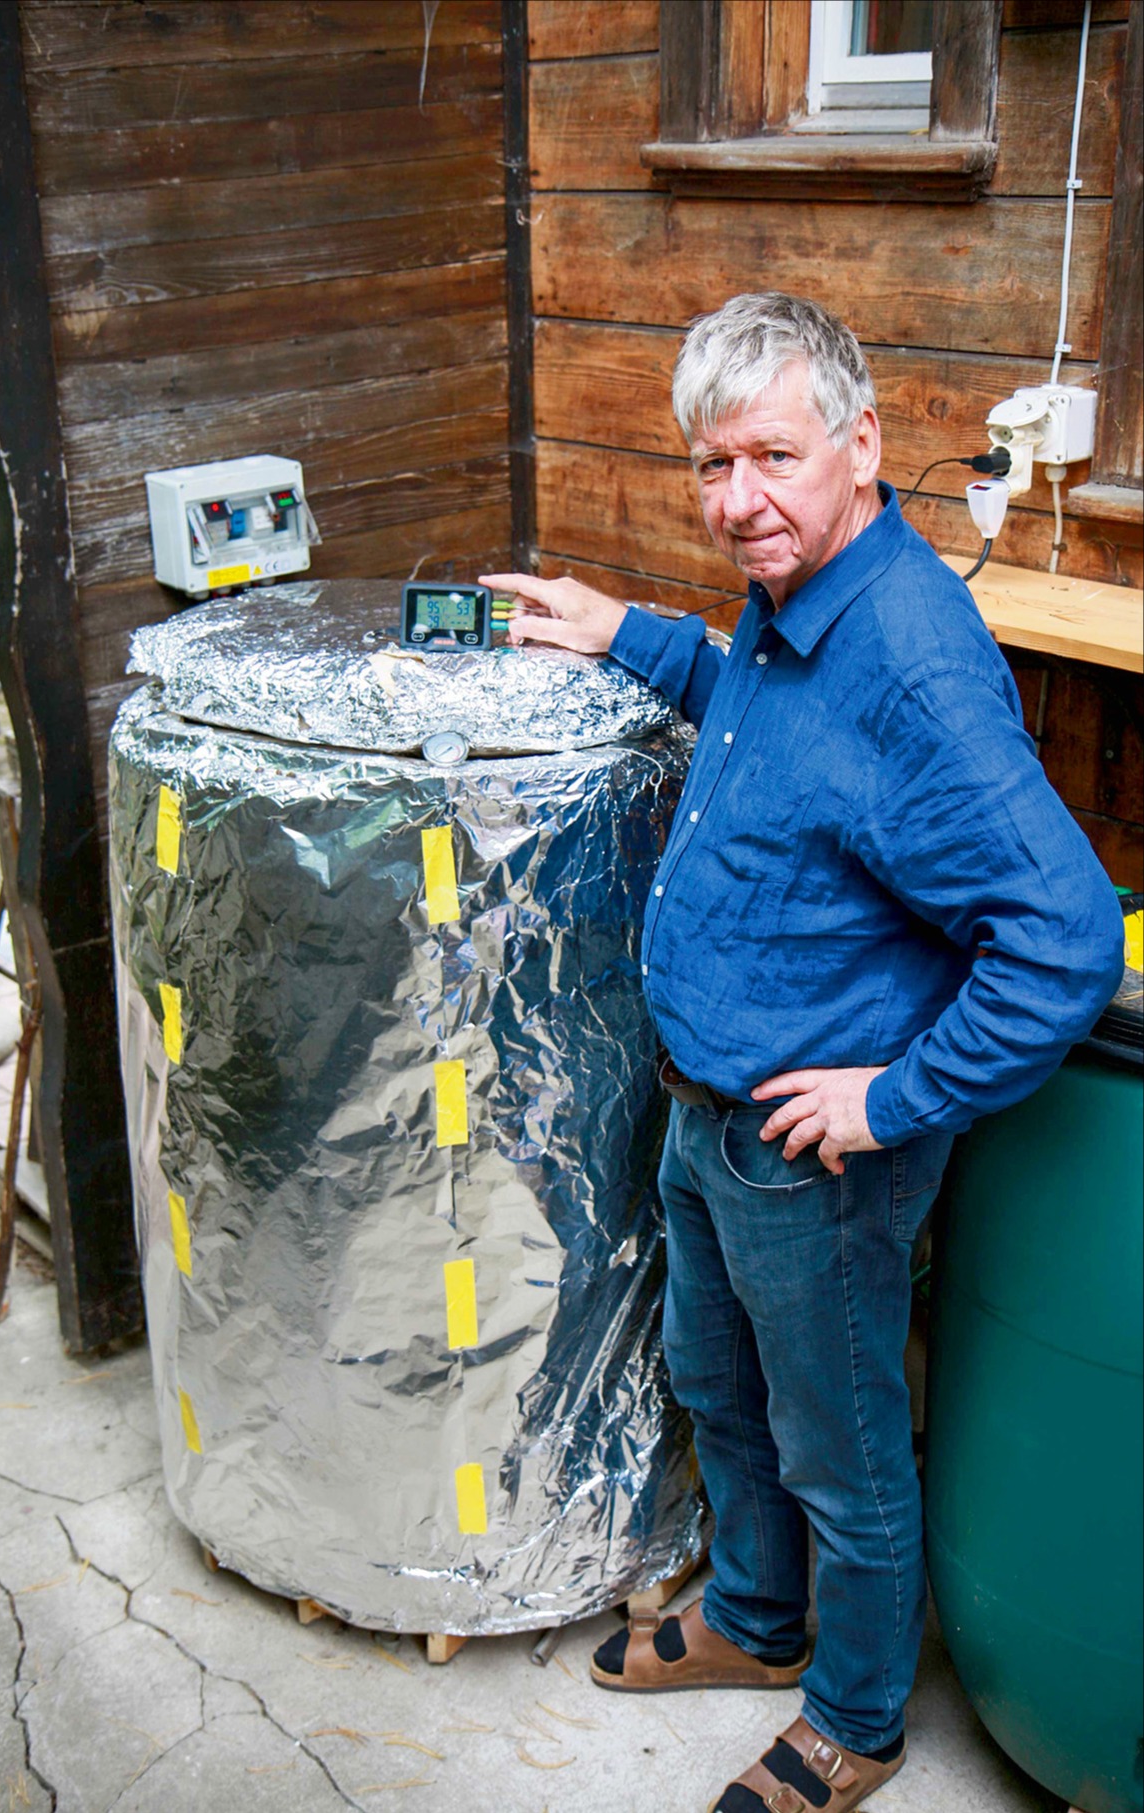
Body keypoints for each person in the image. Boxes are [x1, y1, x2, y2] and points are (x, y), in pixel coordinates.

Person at [481, 291, 1125, 1813]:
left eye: (770, 455)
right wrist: (624, 631)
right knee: (717, 1378)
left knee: (835, 1442)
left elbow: (1065, 936)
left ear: (861, 444)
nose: (737, 500)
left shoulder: (910, 656)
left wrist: (891, 1097)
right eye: (711, 466)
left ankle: (852, 1715)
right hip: (706, 1109)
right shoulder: (791, 600)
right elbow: (763, 732)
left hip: (809, 1152)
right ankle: (759, 1623)